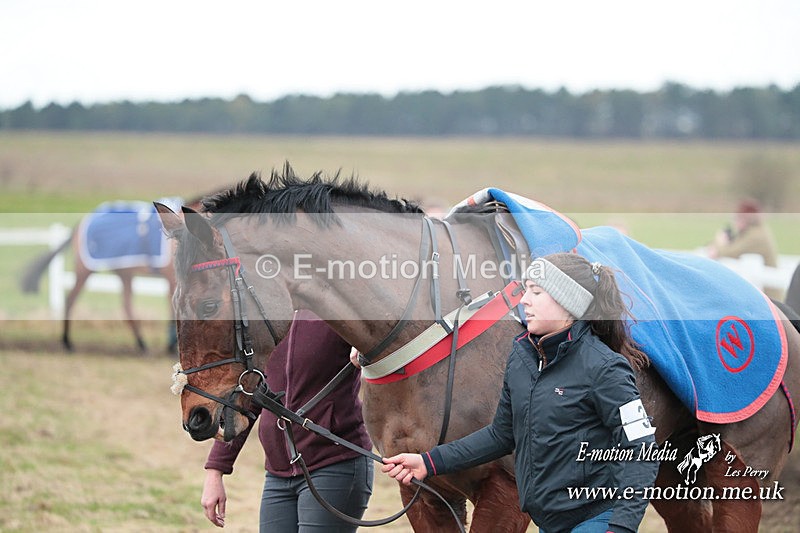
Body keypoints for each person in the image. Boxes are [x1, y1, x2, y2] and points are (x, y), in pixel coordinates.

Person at [381, 253, 659, 533]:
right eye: (525, 290)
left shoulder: (605, 368)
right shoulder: (523, 357)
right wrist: (429, 462)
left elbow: (642, 448)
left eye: (536, 292)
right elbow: (501, 435)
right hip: (549, 523)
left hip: (595, 520)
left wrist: (621, 527)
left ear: (568, 302)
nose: (524, 299)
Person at [201, 310, 373, 532]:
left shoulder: (337, 305)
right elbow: (249, 399)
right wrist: (215, 470)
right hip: (278, 474)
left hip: (335, 464)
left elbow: (389, 329)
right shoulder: (266, 319)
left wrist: (368, 345)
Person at [708, 198, 781, 300]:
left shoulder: (755, 236)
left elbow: (729, 251)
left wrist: (719, 241)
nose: (735, 222)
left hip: (769, 299)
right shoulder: (754, 232)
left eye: (738, 218)